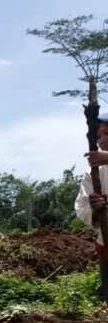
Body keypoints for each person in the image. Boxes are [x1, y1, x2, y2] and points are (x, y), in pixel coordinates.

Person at [75, 111, 108, 300]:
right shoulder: (93, 173)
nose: (102, 140)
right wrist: (96, 211)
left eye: (107, 134)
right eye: (99, 136)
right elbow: (82, 206)